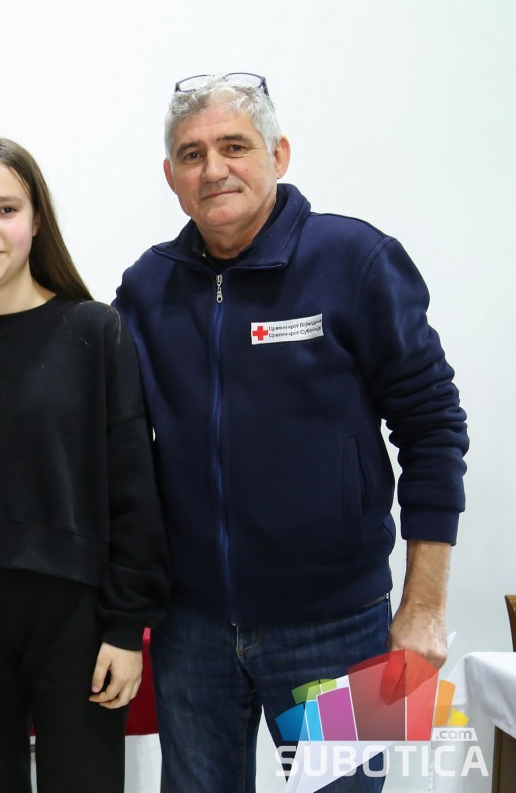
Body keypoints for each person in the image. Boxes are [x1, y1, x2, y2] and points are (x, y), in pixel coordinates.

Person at [114, 72, 469, 790]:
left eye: (234, 146)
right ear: (171, 177)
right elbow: (103, 427)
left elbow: (433, 426)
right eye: (191, 154)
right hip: (192, 632)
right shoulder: (147, 287)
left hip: (341, 626)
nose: (214, 169)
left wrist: (425, 607)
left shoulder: (356, 260)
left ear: (278, 153)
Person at [0, 137, 169, 793]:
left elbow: (134, 488)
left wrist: (125, 628)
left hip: (78, 620)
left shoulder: (94, 331)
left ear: (36, 221)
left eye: (6, 209)